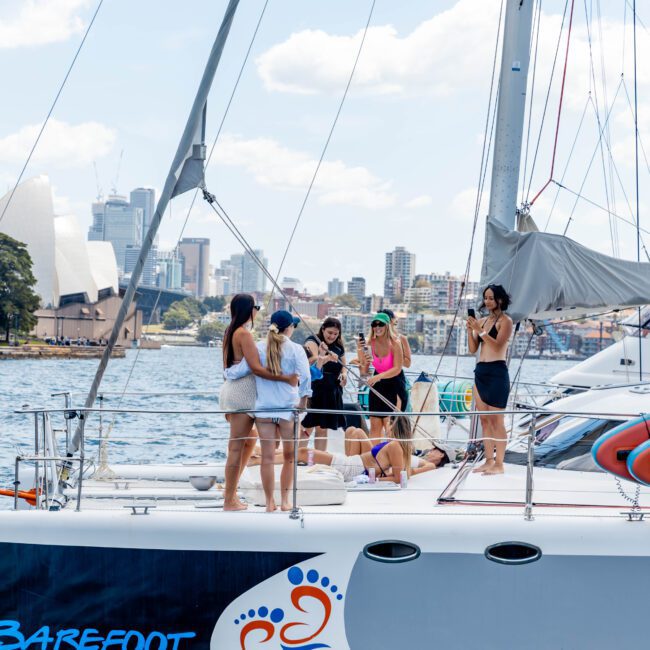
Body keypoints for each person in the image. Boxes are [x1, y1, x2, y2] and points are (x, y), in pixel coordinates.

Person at [220, 295, 299, 511]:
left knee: (247, 440)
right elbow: (256, 368)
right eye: (256, 307)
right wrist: (286, 379)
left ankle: (232, 494)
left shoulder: (230, 332)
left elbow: (229, 365)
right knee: (236, 446)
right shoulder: (243, 334)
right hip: (243, 392)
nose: (257, 311)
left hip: (231, 390)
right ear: (249, 310)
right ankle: (229, 499)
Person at [253, 310, 311, 512]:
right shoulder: (296, 349)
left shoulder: (259, 347)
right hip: (288, 409)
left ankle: (270, 502)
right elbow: (305, 378)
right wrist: (303, 403)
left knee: (267, 457)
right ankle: (285, 501)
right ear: (289, 328)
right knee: (289, 457)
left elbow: (245, 369)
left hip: (264, 410)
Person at [296, 416, 436, 481]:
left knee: (303, 453)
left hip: (351, 466)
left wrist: (374, 480)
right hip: (352, 463)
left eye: (389, 424)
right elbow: (400, 474)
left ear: (394, 426)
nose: (386, 427)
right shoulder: (395, 446)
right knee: (303, 453)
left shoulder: (395, 446)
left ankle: (274, 459)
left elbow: (399, 477)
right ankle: (276, 457)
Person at [467, 284, 513, 475]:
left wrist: (481, 331)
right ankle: (488, 460)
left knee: (497, 420)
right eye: (485, 298)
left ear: (500, 300)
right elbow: (472, 349)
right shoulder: (483, 321)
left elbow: (496, 346)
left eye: (491, 298)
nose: (487, 301)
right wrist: (472, 330)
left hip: (497, 372)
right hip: (481, 371)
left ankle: (499, 464)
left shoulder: (506, 321)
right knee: (484, 420)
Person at [301, 317, 348, 451]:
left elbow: (343, 364)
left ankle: (319, 459)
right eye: (329, 332)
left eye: (335, 333)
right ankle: (299, 457)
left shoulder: (339, 346)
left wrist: (344, 375)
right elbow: (311, 361)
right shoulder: (313, 341)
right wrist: (326, 357)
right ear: (323, 329)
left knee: (323, 427)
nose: (332, 336)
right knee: (309, 425)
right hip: (317, 388)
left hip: (332, 390)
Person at [358, 312, 405, 442]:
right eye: (374, 324)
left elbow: (397, 368)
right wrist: (360, 351)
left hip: (395, 384)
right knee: (374, 424)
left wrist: (378, 377)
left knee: (389, 424)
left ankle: (391, 456)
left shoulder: (395, 343)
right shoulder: (369, 343)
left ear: (387, 326)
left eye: (381, 324)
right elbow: (364, 371)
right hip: (378, 384)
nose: (377, 327)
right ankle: (374, 458)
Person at [380, 308, 412, 409]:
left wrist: (395, 352)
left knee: (397, 413)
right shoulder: (376, 339)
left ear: (393, 320)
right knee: (381, 414)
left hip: (397, 378)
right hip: (381, 377)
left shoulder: (401, 339)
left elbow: (407, 363)